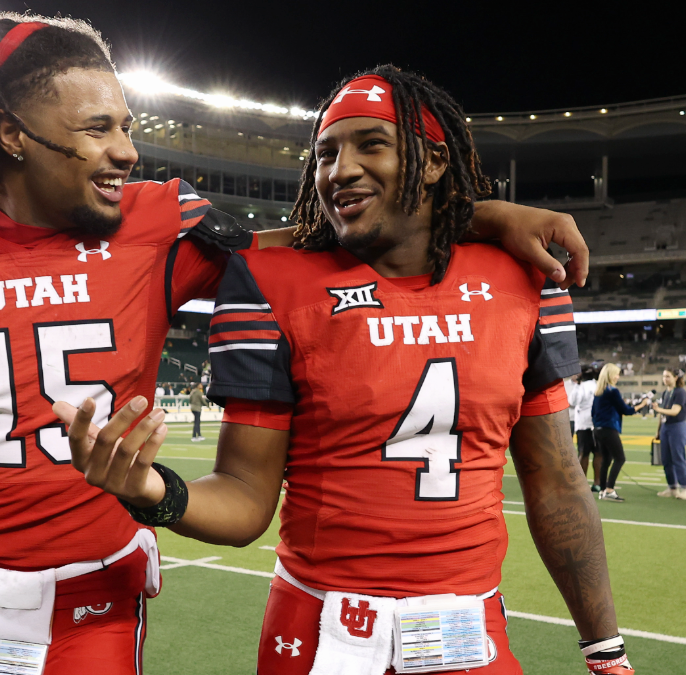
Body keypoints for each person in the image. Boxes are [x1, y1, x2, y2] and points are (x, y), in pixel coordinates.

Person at [0, 16, 592, 675]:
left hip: (99, 589)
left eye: (128, 126)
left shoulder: (156, 224)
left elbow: (316, 244)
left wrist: (485, 214)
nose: (128, 151)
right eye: (97, 129)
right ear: (12, 134)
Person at [57, 66, 632, 675]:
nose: (341, 169)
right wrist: (155, 492)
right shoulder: (273, 283)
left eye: (372, 144)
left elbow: (559, 484)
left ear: (434, 162)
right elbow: (247, 498)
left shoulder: (522, 278)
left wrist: (607, 651)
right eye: (326, 153)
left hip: (467, 633)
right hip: (320, 634)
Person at [592, 363, 648, 502]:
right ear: (610, 375)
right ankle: (610, 489)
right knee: (620, 458)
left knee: (606, 460)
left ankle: (603, 490)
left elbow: (593, 412)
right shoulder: (612, 391)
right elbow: (626, 410)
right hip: (608, 428)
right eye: (616, 374)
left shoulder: (599, 390)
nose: (618, 377)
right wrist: (642, 404)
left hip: (598, 429)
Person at [650, 368, 686, 500]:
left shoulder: (680, 393)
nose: (665, 379)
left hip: (677, 427)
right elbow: (662, 414)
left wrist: (658, 409)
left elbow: (675, 411)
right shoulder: (665, 393)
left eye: (668, 376)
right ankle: (672, 487)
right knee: (666, 459)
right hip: (666, 427)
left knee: (678, 457)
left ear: (676, 378)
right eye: (664, 376)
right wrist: (658, 430)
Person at [569, 365, 601, 491]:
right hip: (597, 423)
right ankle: (598, 483)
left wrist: (577, 384)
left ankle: (581, 483)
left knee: (583, 453)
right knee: (598, 453)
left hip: (583, 424)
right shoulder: (598, 385)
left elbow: (572, 401)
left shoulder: (581, 387)